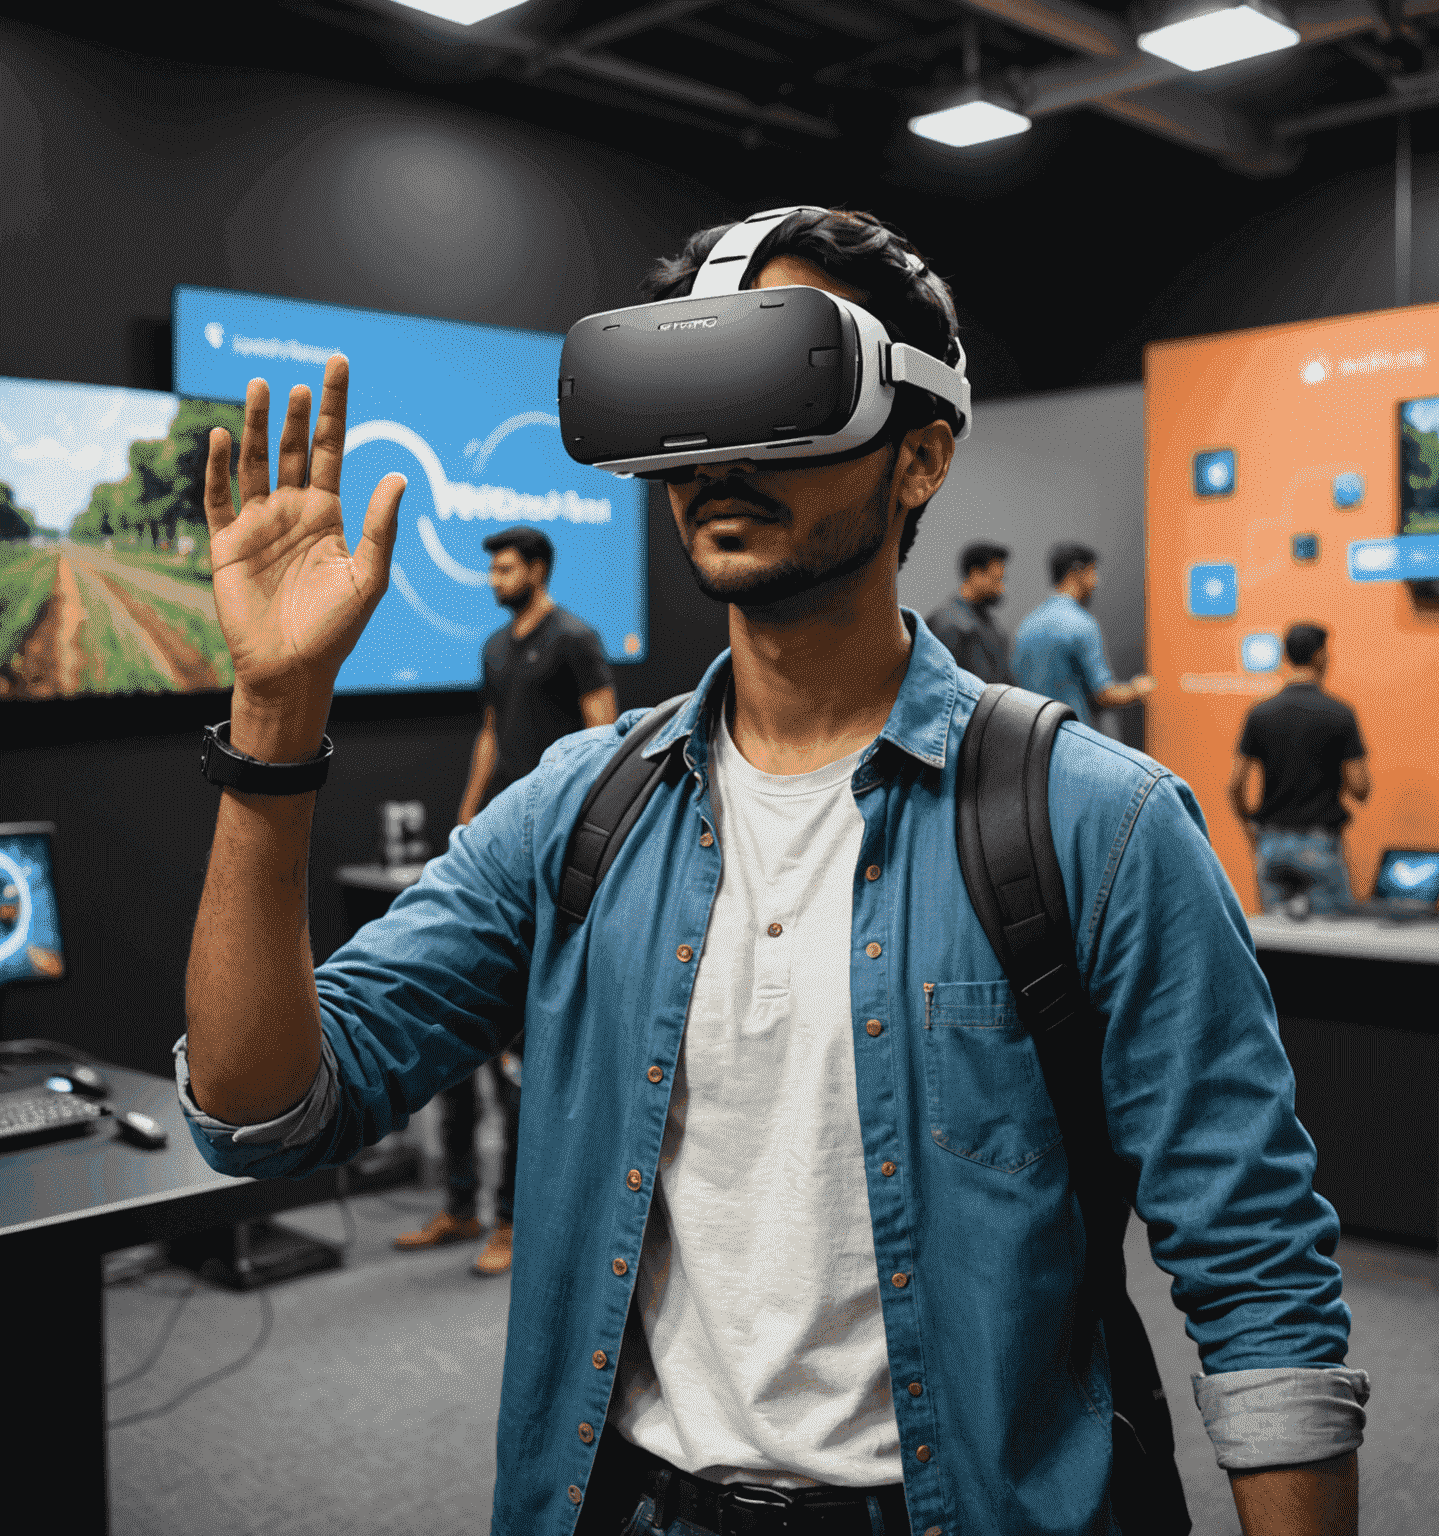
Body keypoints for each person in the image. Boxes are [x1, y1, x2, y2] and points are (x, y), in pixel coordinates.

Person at [180, 207, 1365, 1536]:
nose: (720, 462)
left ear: (921, 455)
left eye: (777, 396)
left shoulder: (1099, 824)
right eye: (685, 409)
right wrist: (274, 714)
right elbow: (263, 1110)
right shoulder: (579, 809)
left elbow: (1259, 1273)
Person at [394, 525, 618, 1275]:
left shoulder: (576, 640)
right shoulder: (493, 648)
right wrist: (466, 820)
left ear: (539, 570)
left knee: (522, 1061)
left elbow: (604, 742)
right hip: (497, 854)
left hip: (553, 863)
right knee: (460, 1046)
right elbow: (490, 735)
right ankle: (460, 1207)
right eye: (491, 569)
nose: (494, 579)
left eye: (506, 568)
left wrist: (588, 839)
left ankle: (515, 1223)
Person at [1229, 622, 1369, 916]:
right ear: (1320, 656)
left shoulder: (1260, 713)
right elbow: (1360, 788)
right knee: (1330, 937)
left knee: (1278, 940)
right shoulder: (1340, 714)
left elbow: (1236, 785)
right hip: (1320, 842)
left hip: (1271, 843)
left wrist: (1251, 829)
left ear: (1286, 656)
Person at [1010, 541, 1156, 728]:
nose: (1096, 581)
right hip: (1073, 734)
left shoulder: (1027, 625)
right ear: (1077, 572)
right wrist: (1139, 689)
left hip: (1034, 734)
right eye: (1092, 572)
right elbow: (1104, 695)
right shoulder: (1082, 623)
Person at [922, 540, 1012, 683]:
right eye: (996, 580)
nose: (1001, 588)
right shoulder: (947, 626)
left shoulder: (991, 626)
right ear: (976, 575)